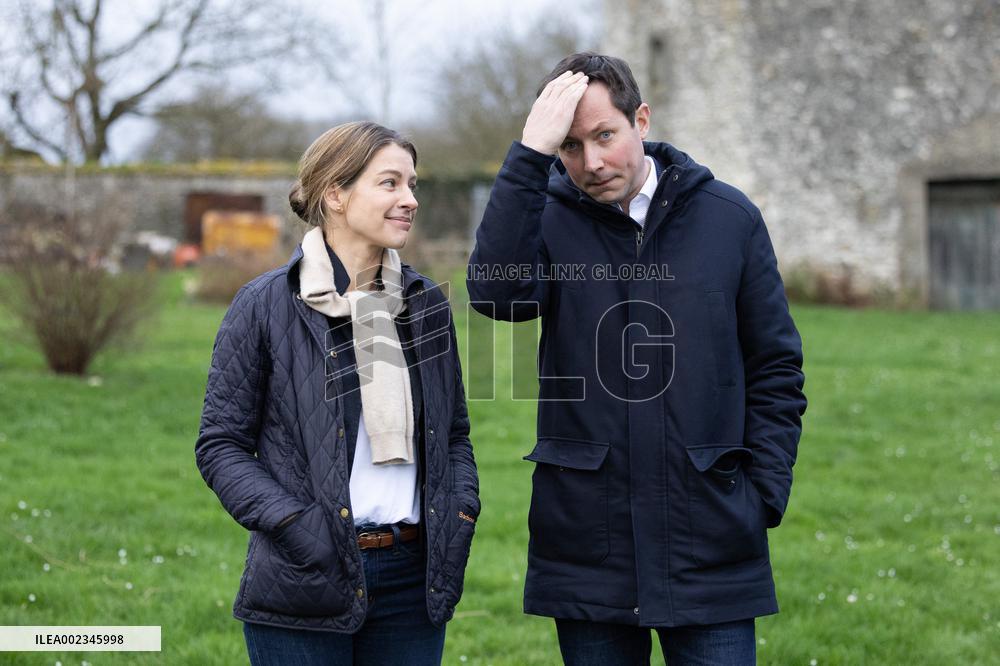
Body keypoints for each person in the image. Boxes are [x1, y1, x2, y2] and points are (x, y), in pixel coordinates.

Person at [467, 53, 807, 665]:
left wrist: (764, 493)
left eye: (605, 136)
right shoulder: (545, 219)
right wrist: (528, 158)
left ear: (641, 120)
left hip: (713, 534)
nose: (592, 163)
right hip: (588, 542)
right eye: (570, 146)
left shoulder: (729, 219)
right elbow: (497, 296)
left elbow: (776, 367)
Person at [195, 121, 480, 666]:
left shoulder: (425, 306)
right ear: (336, 194)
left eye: (412, 185)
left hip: (413, 580)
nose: (410, 200)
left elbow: (455, 434)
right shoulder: (264, 306)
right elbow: (220, 445)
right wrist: (296, 527)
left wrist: (462, 511)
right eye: (390, 184)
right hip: (304, 574)